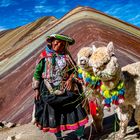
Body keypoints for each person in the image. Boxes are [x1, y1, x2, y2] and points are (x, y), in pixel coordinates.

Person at [32, 34, 88, 140]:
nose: (59, 45)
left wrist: (70, 79)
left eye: (62, 44)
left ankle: (80, 135)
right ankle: (59, 137)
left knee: (76, 110)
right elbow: (37, 74)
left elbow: (75, 71)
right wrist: (36, 89)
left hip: (67, 90)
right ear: (52, 42)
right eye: (57, 43)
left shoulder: (66, 56)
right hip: (48, 90)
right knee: (53, 115)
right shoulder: (44, 56)